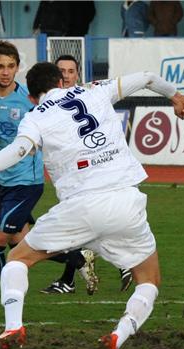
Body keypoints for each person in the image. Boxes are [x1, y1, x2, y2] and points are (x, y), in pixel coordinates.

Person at [0, 63, 184, 349]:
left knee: (17, 259)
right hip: (125, 202)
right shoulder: (94, 91)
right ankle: (117, 336)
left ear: (31, 97)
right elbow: (148, 77)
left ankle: (13, 327)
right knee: (148, 280)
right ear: (62, 80)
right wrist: (175, 96)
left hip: (79, 208)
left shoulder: (35, 116)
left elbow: (19, 149)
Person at [0, 41, 89, 318]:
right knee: (21, 241)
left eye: (11, 66)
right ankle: (78, 258)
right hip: (2, 181)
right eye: (0, 66)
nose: (5, 72)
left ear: (17, 68)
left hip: (27, 181)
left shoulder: (28, 99)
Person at [48, 54, 134, 294]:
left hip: (90, 175)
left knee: (83, 225)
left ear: (78, 75)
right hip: (70, 176)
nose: (66, 75)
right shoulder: (49, 103)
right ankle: (71, 279)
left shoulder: (90, 96)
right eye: (61, 71)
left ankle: (122, 262)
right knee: (84, 226)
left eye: (70, 71)